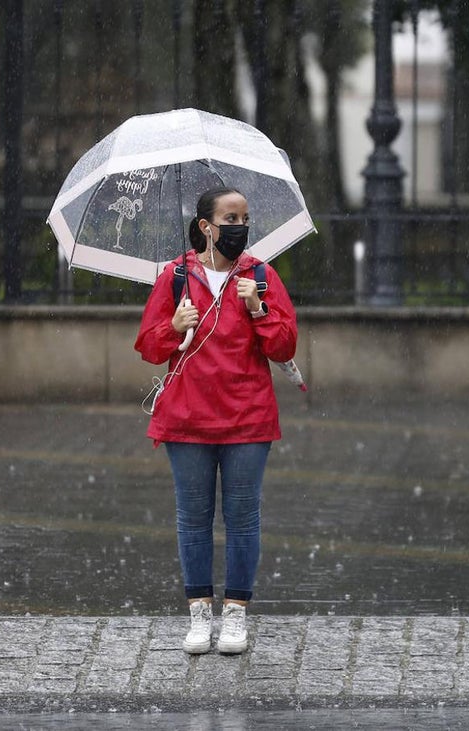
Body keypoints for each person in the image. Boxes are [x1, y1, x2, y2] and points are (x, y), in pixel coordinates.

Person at [134, 186, 297, 655]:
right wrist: (174, 327)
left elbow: (285, 347)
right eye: (230, 217)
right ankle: (200, 615)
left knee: (243, 519)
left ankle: (236, 617)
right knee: (193, 519)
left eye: (245, 217)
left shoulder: (261, 276)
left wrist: (257, 308)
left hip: (247, 419)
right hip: (188, 419)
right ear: (206, 226)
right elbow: (149, 345)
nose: (239, 226)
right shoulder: (175, 277)